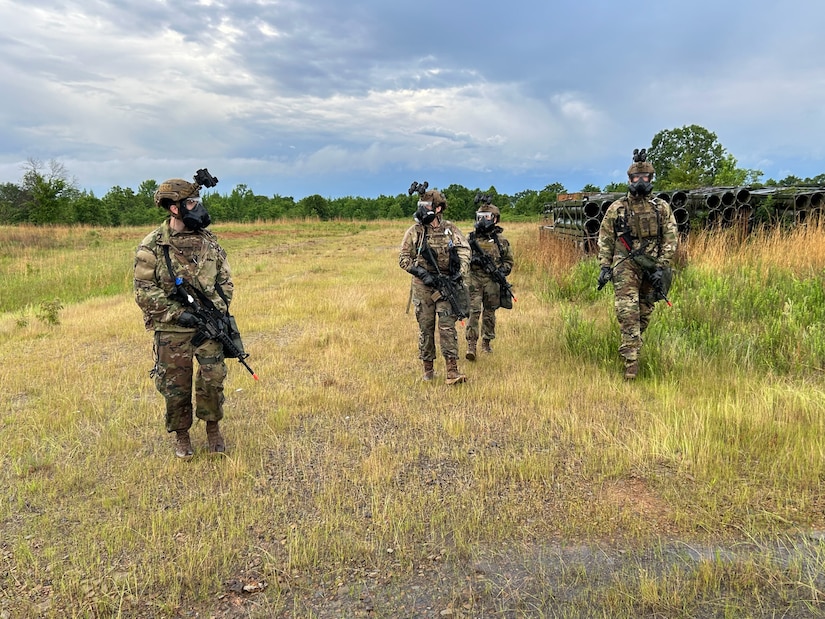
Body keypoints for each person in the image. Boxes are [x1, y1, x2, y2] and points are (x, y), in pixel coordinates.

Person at [134, 175, 233, 459]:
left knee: (213, 379)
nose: (197, 208)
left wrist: (216, 311)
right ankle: (182, 436)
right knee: (175, 386)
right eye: (191, 202)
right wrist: (179, 314)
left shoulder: (209, 242)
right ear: (174, 208)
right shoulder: (152, 245)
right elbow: (144, 293)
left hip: (208, 326)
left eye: (197, 201)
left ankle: (213, 428)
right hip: (172, 330)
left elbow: (226, 281)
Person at [597, 149, 678, 380]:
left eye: (644, 178)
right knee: (628, 312)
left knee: (644, 313)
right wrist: (605, 266)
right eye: (636, 178)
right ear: (629, 179)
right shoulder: (618, 208)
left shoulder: (661, 207)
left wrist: (661, 266)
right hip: (625, 265)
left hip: (653, 266)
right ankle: (631, 365)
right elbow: (605, 238)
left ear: (650, 179)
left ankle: (631, 342)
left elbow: (671, 237)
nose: (640, 182)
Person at [399, 185, 471, 384]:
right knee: (426, 328)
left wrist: (459, 273)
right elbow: (403, 259)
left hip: (445, 284)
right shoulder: (415, 232)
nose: (422, 209)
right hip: (423, 286)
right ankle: (428, 370)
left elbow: (464, 250)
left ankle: (452, 371)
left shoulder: (450, 229)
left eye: (427, 205)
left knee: (447, 326)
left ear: (438, 208)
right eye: (420, 205)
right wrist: (421, 272)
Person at [464, 198, 514, 360]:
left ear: (495, 219)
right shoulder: (470, 239)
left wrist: (500, 271)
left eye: (487, 217)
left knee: (489, 312)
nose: (483, 220)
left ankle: (486, 341)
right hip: (474, 279)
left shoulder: (501, 241)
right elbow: (460, 258)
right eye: (480, 216)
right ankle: (471, 344)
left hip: (492, 281)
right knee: (473, 311)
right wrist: (473, 261)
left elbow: (508, 262)